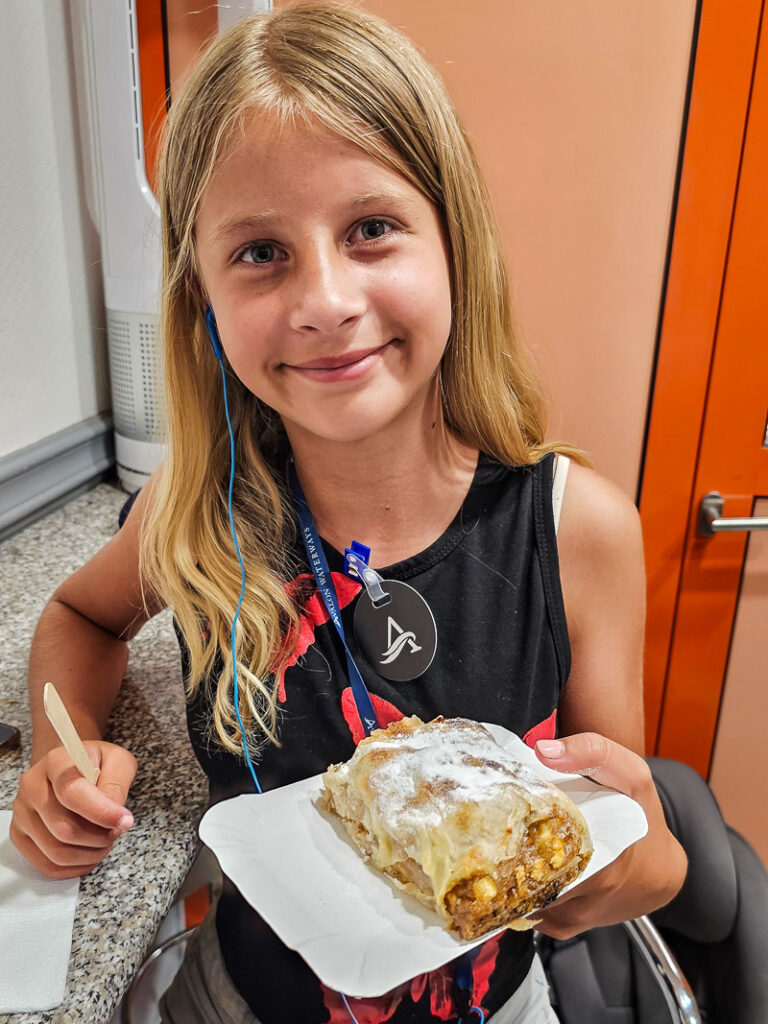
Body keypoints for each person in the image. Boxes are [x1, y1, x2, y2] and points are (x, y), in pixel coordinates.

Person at [10, 4, 686, 1022]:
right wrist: (64, 751)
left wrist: (645, 871)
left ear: (455, 242)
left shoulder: (576, 529)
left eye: (371, 228)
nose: (323, 299)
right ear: (200, 295)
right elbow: (80, 616)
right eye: (260, 252)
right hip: (242, 996)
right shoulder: (200, 517)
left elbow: (636, 832)